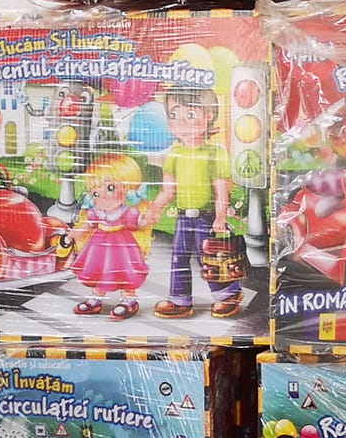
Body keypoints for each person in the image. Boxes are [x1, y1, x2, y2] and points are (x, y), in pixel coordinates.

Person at [147, 86, 241, 321]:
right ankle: (180, 300)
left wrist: (220, 216)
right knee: (178, 257)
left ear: (208, 116)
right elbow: (168, 189)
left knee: (208, 256)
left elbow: (221, 187)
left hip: (206, 216)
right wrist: (154, 208)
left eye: (190, 114)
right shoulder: (175, 154)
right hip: (183, 217)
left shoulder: (214, 152)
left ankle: (227, 294)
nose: (181, 121)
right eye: (174, 114)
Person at [68, 152, 150, 319]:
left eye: (110, 188)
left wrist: (143, 221)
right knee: (99, 269)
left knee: (125, 270)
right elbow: (89, 223)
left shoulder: (127, 212)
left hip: (122, 246)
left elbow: (135, 224)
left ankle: (128, 299)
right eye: (95, 193)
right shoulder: (96, 212)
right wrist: (77, 232)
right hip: (99, 245)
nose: (103, 196)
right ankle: (96, 298)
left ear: (128, 189)